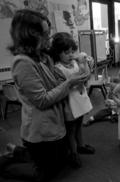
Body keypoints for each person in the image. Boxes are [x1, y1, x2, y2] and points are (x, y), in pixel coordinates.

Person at [8, 9, 89, 181]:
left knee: (59, 161)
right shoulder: (23, 62)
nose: (49, 38)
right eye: (45, 34)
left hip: (55, 124)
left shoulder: (43, 56)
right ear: (30, 35)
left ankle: (19, 152)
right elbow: (42, 100)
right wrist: (69, 82)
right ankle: (6, 161)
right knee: (45, 174)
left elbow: (59, 80)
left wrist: (80, 67)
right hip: (40, 130)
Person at [50, 32, 95, 168]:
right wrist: (75, 79)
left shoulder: (75, 63)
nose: (70, 55)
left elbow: (86, 76)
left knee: (79, 124)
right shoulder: (57, 69)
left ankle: (80, 145)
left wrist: (87, 65)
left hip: (80, 99)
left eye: (72, 51)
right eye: (66, 52)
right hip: (69, 103)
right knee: (71, 128)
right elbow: (61, 87)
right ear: (58, 53)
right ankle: (73, 153)